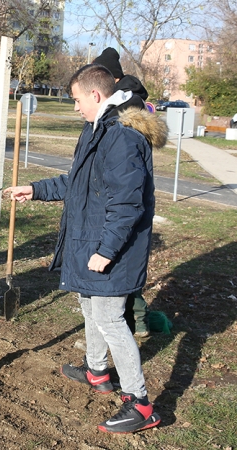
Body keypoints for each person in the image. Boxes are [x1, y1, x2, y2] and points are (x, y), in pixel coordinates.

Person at [6, 64, 167, 434]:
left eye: (77, 100)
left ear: (96, 95)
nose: (75, 107)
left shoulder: (122, 136)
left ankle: (141, 405)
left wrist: (107, 251)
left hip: (111, 248)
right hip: (90, 240)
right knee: (89, 307)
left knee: (110, 319)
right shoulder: (99, 129)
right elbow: (79, 181)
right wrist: (36, 189)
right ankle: (97, 372)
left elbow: (127, 204)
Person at [93, 46, 151, 338]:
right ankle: (132, 322)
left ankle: (134, 322)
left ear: (111, 80)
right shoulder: (125, 102)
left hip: (122, 198)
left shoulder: (127, 111)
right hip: (116, 196)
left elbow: (128, 192)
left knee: (123, 260)